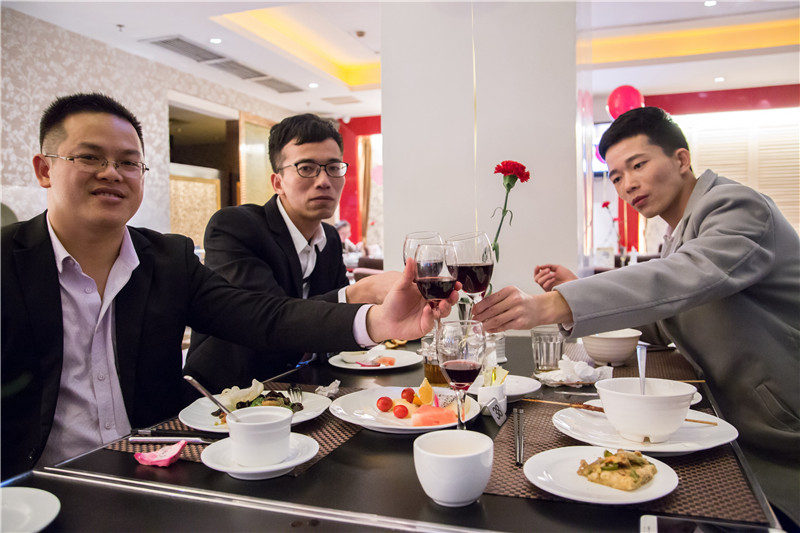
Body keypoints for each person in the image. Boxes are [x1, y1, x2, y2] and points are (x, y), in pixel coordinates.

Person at [1, 93, 457, 480]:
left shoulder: (168, 259)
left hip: (154, 470)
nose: (111, 173)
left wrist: (377, 321)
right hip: (29, 488)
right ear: (44, 169)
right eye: (89, 158)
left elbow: (262, 315)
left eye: (128, 162)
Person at [473, 107, 799, 525]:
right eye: (615, 177)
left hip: (778, 430)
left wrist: (556, 303)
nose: (627, 184)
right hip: (728, 417)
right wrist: (578, 290)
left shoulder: (738, 206)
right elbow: (663, 320)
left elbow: (682, 278)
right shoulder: (678, 233)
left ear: (681, 160)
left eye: (638, 165)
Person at [185, 114, 393, 392]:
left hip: (303, 387)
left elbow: (335, 325)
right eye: (306, 168)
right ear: (278, 182)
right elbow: (268, 320)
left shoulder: (330, 238)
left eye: (334, 168)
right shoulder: (235, 227)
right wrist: (359, 293)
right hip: (227, 394)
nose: (324, 180)